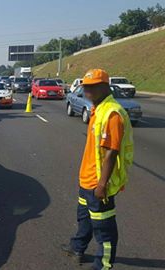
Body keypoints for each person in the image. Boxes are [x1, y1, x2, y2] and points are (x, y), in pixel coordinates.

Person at [61, 69, 134, 270]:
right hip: (86, 179)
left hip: (98, 184)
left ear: (105, 86)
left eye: (93, 87)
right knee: (84, 219)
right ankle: (77, 247)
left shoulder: (112, 113)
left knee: (104, 230)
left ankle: (102, 265)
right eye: (85, 87)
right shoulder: (98, 108)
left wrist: (102, 185)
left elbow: (112, 151)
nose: (87, 91)